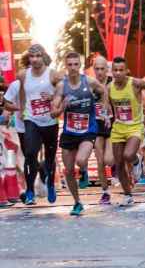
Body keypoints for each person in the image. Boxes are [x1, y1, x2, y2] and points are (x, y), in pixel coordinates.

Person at [51, 52, 107, 215]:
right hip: (69, 131)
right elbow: (53, 113)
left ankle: (83, 170)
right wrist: (63, 107)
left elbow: (103, 91)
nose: (73, 68)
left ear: (80, 66)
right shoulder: (62, 86)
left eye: (76, 64)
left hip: (88, 130)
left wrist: (102, 110)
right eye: (70, 65)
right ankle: (77, 202)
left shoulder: (89, 82)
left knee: (81, 160)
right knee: (68, 171)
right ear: (66, 66)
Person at [13, 44, 64, 205]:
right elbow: (22, 92)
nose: (34, 59)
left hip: (49, 121)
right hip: (31, 120)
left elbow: (64, 91)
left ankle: (49, 183)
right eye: (31, 56)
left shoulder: (53, 75)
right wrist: (21, 110)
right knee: (30, 153)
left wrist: (54, 98)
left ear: (43, 57)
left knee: (49, 156)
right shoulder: (23, 75)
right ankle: (29, 190)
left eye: (37, 56)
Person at [109, 56, 145, 207]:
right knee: (118, 164)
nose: (118, 73)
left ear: (126, 71)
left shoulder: (136, 83)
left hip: (135, 126)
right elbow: (106, 105)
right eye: (115, 70)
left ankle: (137, 161)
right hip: (118, 127)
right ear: (112, 72)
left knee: (128, 155)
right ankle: (127, 194)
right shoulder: (109, 88)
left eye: (121, 70)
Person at [92, 56, 114, 204]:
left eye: (102, 69)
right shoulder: (90, 85)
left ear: (107, 69)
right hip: (97, 125)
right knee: (100, 161)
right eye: (97, 69)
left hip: (112, 124)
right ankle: (105, 192)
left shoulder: (113, 83)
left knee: (109, 159)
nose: (100, 72)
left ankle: (134, 161)